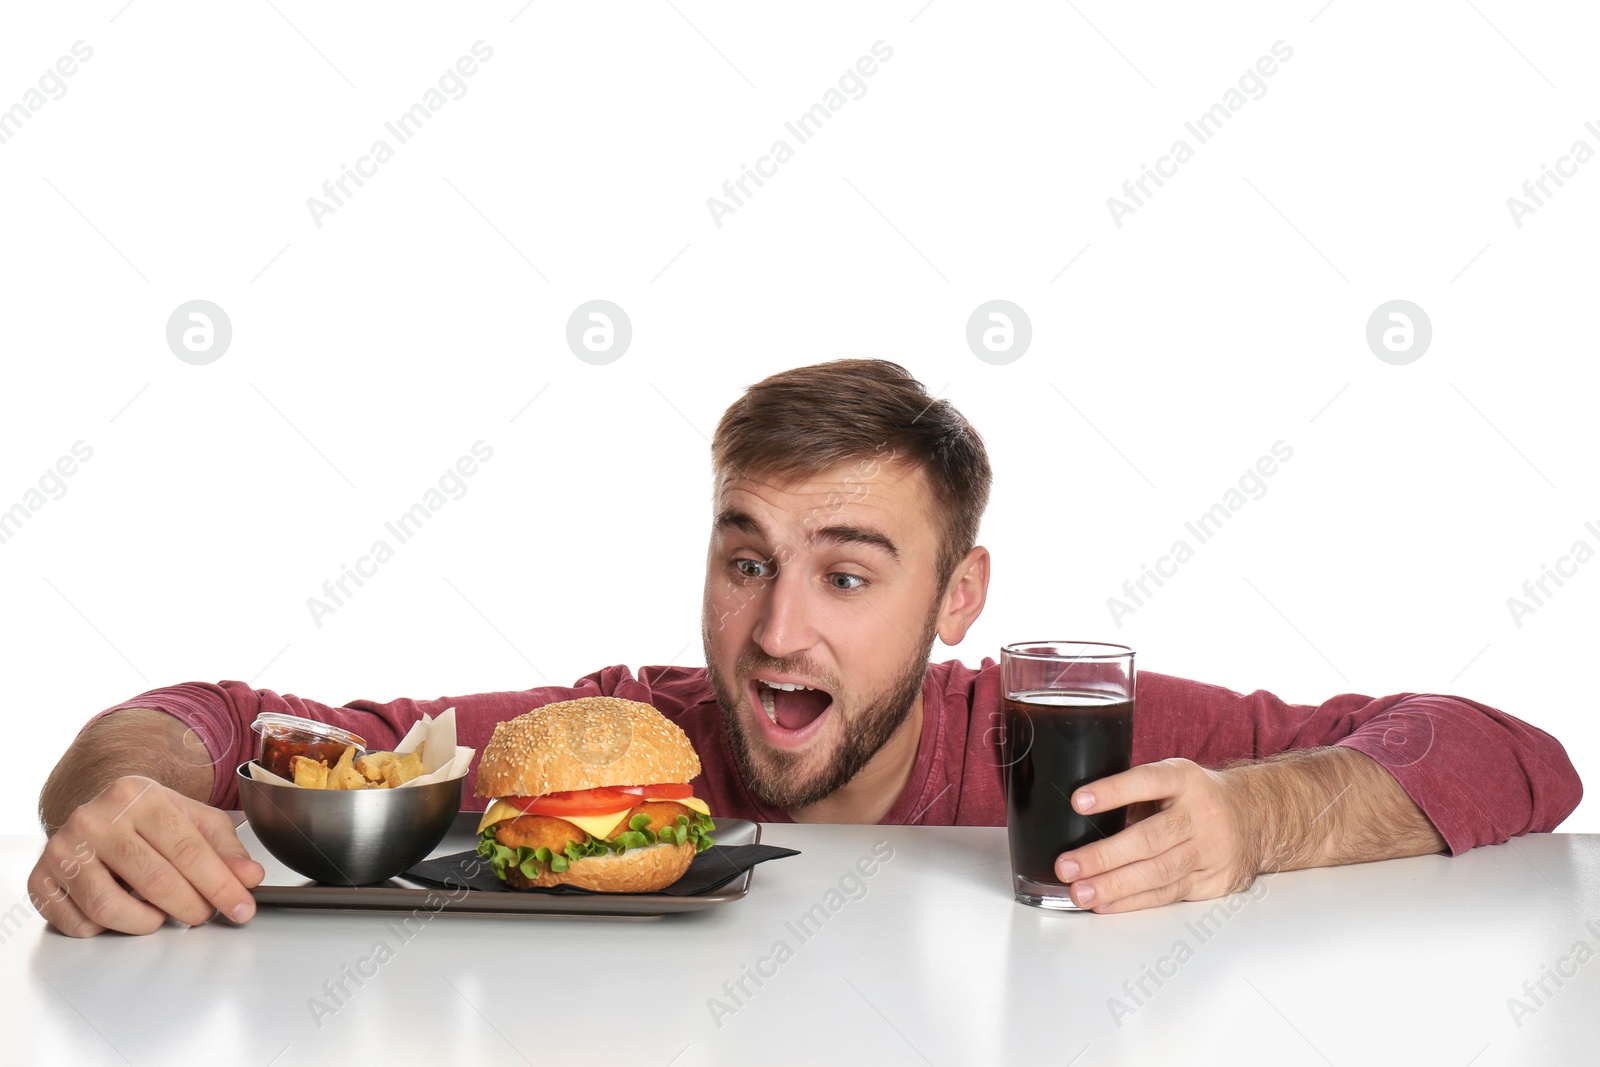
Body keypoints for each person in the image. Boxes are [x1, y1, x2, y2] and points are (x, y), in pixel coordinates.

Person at [30, 360, 1581, 935]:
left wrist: (1258, 819)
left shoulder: (1061, 729)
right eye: (746, 560)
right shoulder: (614, 736)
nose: (776, 629)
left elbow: (1514, 752)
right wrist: (118, 791)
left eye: (850, 575)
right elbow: (220, 718)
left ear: (958, 597)